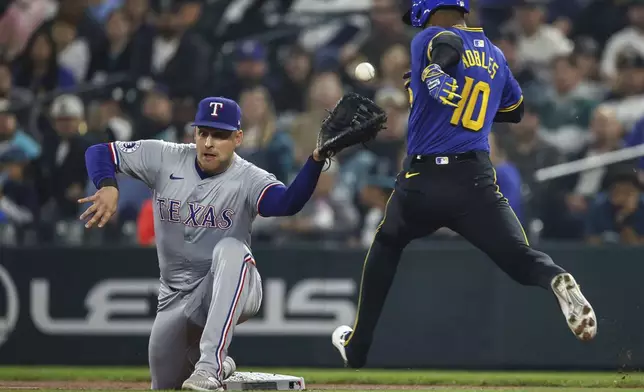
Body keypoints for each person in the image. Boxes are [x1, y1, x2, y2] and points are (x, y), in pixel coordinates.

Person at [331, 0, 597, 369]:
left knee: (387, 242)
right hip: (475, 180)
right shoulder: (496, 55)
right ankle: (556, 277)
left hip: (424, 180)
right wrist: (451, 87)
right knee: (521, 260)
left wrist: (437, 71)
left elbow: (447, 46)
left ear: (429, 10)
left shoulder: (432, 38)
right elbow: (516, 109)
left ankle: (358, 346)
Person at [80, 97, 327, 390]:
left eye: (220, 135)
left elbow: (286, 203)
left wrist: (316, 160)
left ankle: (210, 365)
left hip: (236, 283)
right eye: (203, 133)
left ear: (237, 138)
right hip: (174, 298)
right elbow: (99, 152)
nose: (209, 142)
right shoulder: (164, 156)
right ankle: (214, 363)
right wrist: (107, 185)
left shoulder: (249, 177)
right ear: (194, 133)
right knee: (165, 385)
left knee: (231, 249)